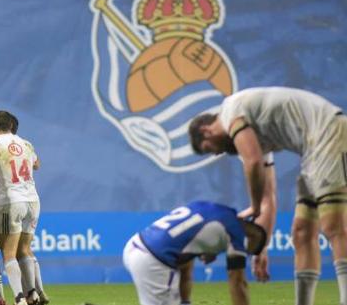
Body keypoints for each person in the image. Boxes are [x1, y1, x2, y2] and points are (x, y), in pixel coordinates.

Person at [188, 86, 347, 305]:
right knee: (301, 232)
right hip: (313, 151)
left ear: (206, 131)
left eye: (209, 148)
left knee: (334, 226)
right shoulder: (250, 134)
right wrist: (261, 245)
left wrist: (252, 208)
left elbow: (254, 164)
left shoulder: (232, 112)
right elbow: (267, 198)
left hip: (328, 133)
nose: (216, 153)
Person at [123, 201, 267, 305]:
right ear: (250, 237)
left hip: (134, 245)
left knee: (186, 262)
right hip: (153, 261)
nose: (245, 252)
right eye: (249, 250)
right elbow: (237, 282)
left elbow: (186, 239)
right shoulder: (236, 235)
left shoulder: (216, 210)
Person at [0, 111, 40, 305]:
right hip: (32, 200)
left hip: (10, 201)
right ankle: (33, 293)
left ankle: (19, 298)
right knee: (24, 248)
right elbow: (37, 164)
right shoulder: (26, 143)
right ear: (11, 125)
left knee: (8, 252)